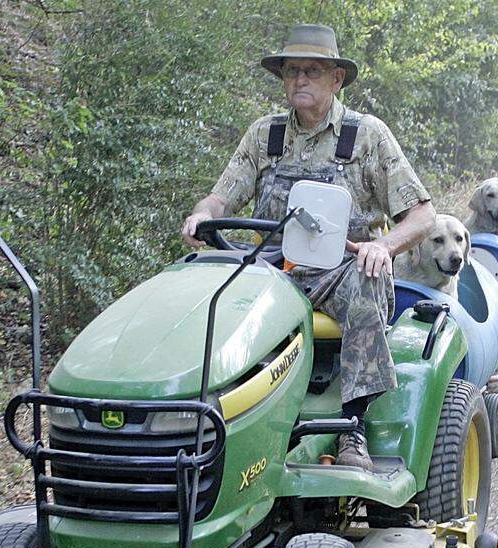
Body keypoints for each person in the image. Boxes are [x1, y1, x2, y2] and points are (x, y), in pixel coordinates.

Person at [181, 24, 436, 472]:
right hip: (272, 269)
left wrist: (385, 246)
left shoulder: (367, 136)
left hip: (339, 271)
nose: (300, 80)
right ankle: (198, 416)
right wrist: (201, 214)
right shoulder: (266, 136)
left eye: (313, 71)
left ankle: (352, 428)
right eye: (292, 70)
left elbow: (422, 216)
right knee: (198, 278)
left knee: (366, 276)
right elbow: (221, 196)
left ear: (336, 79)